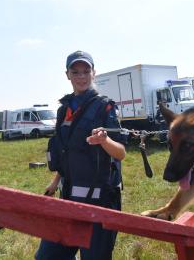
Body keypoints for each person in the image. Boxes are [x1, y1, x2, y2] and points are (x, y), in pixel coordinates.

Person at [35, 51, 126, 260]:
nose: (81, 76)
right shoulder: (63, 110)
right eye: (75, 72)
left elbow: (120, 153)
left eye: (86, 71)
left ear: (94, 73)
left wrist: (104, 141)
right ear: (67, 74)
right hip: (68, 198)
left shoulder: (105, 107)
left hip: (101, 200)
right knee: (47, 256)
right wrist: (56, 180)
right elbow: (65, 151)